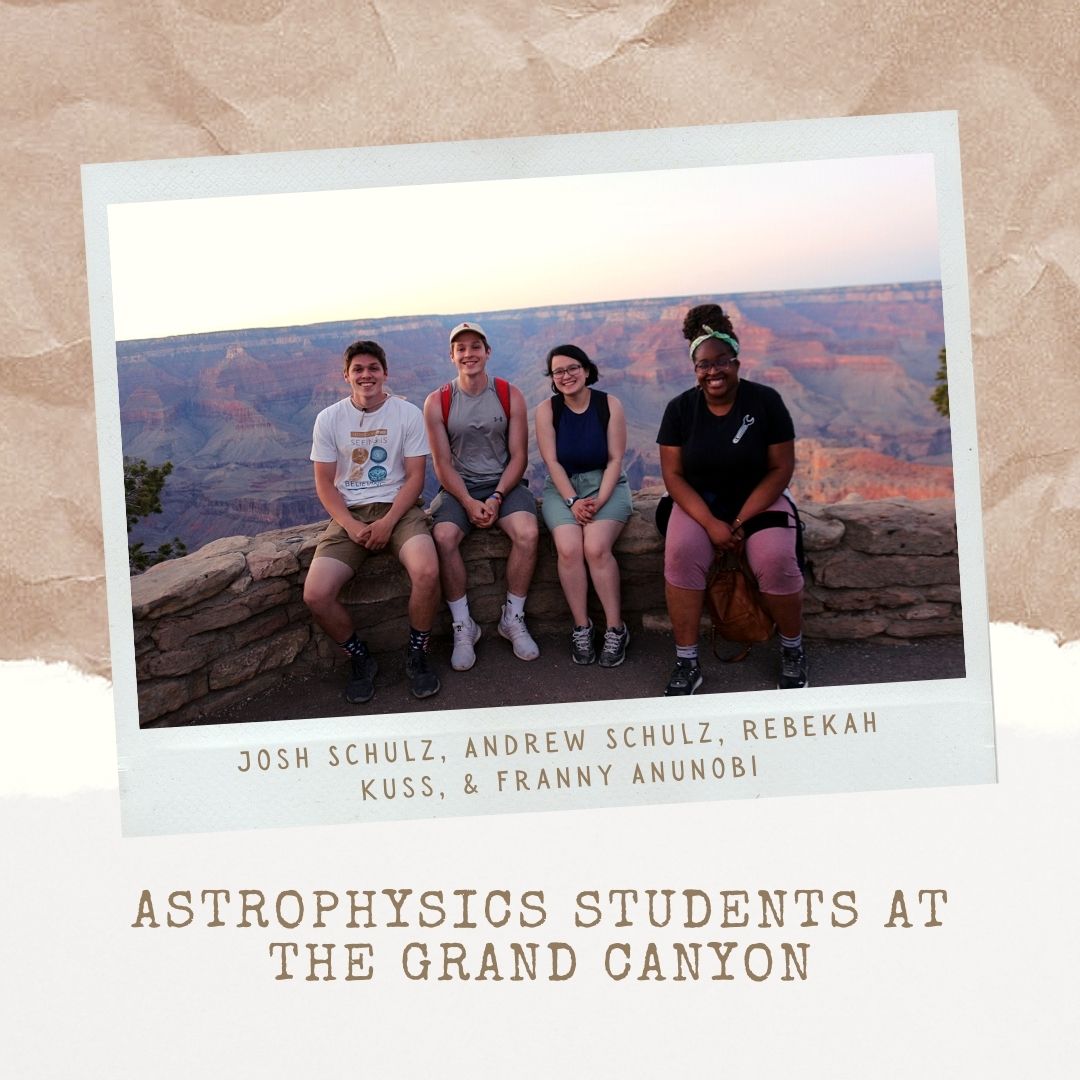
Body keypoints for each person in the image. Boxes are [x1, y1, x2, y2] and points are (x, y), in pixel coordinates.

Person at [656, 303, 807, 694]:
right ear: (695, 370)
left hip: (758, 500)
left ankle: (793, 649)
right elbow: (672, 475)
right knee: (680, 556)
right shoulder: (680, 410)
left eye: (721, 361)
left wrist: (736, 525)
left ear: (736, 362)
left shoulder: (765, 402)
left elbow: (780, 469)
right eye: (703, 365)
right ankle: (687, 662)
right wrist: (710, 524)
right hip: (699, 503)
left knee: (774, 558)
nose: (713, 371)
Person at [303, 340, 441, 704]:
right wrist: (349, 524)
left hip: (399, 508)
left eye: (373, 368)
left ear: (385, 372)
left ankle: (417, 651)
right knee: (316, 594)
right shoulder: (329, 419)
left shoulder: (406, 413)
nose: (366, 375)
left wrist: (388, 521)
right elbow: (323, 483)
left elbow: (415, 477)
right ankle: (359, 657)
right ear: (346, 376)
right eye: (358, 369)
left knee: (426, 571)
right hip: (350, 514)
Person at [423, 321, 540, 670]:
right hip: (459, 489)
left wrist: (498, 496)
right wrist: (470, 501)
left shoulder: (509, 394)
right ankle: (464, 625)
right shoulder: (438, 401)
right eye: (461, 348)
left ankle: (512, 618)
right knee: (443, 537)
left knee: (529, 533)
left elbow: (519, 456)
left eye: (476, 347)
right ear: (452, 356)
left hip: (504, 484)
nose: (469, 354)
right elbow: (442, 464)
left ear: (487, 352)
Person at [535, 344, 632, 667]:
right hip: (563, 489)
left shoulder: (609, 405)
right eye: (558, 371)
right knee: (568, 548)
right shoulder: (548, 411)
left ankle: (616, 629)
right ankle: (581, 627)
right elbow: (551, 461)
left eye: (573, 368)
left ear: (587, 370)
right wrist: (573, 502)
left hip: (607, 485)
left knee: (596, 548)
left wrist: (598, 501)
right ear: (552, 378)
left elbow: (616, 459)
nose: (567, 376)